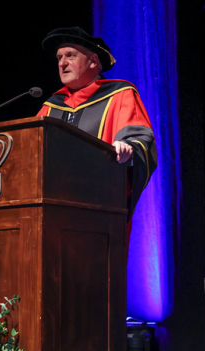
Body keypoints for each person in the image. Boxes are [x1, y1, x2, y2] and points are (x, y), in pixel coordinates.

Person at [37, 27, 157, 222]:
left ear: (93, 60)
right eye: (59, 58)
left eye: (70, 55)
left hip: (100, 210)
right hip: (51, 212)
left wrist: (129, 151)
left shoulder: (120, 95)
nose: (62, 63)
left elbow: (140, 139)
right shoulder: (50, 107)